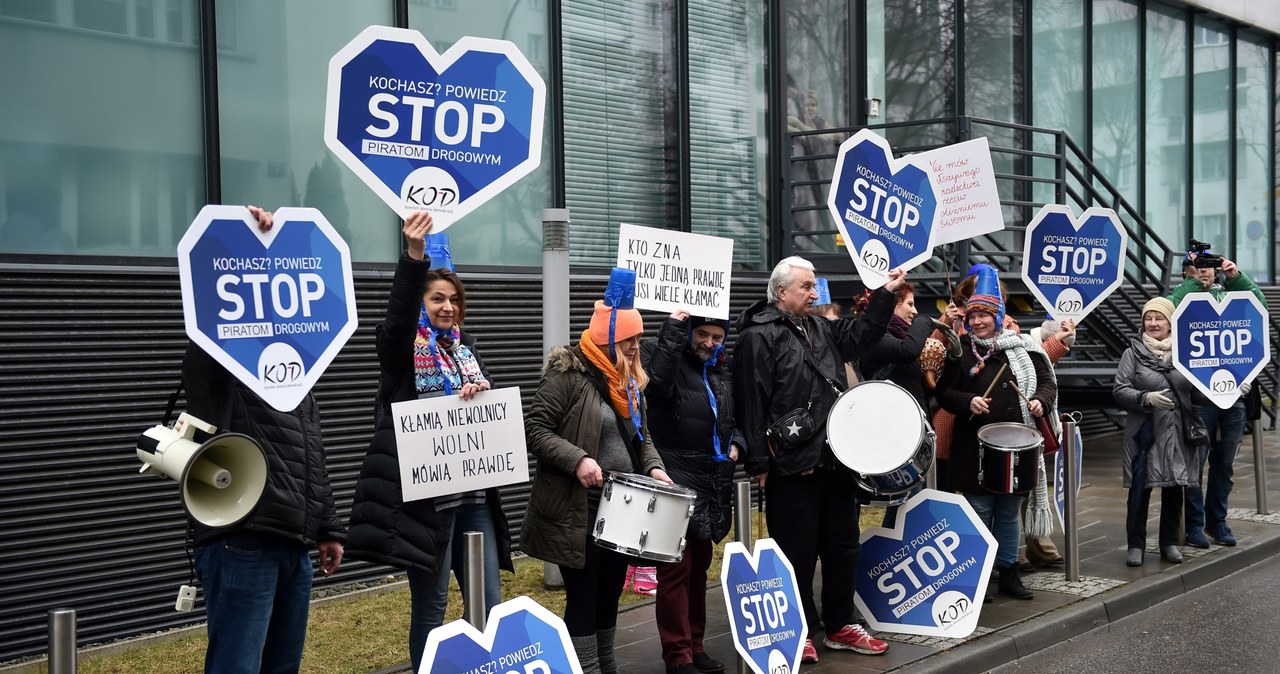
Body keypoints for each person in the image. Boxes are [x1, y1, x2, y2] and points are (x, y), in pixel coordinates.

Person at [345, 213, 514, 672]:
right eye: (438, 298)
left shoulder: (465, 351)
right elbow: (398, 317)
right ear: (423, 301)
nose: (448, 307)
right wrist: (414, 257)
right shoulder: (401, 350)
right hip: (428, 504)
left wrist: (481, 394)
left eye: (455, 300)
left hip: (475, 496)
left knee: (488, 601)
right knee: (432, 607)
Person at [184, 205, 345, 674]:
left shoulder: (296, 374)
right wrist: (244, 245)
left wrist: (327, 527)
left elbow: (310, 450)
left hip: (294, 544)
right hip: (243, 540)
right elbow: (203, 336)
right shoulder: (222, 371)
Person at [733, 256, 899, 662]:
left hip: (836, 459)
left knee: (843, 546)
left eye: (813, 285)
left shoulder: (820, 327)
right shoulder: (758, 337)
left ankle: (840, 624)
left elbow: (861, 333)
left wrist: (885, 295)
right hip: (791, 464)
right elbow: (750, 404)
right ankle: (800, 628)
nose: (813, 292)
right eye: (806, 286)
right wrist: (758, 465)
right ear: (781, 291)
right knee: (797, 553)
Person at [520, 269, 672, 674]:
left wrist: (654, 468)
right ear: (607, 338)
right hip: (578, 509)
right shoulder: (567, 376)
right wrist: (578, 459)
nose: (637, 347)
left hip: (621, 509)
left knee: (609, 596)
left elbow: (642, 438)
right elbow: (534, 429)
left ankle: (607, 665)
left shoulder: (630, 382)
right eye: (629, 340)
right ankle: (586, 668)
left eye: (638, 339)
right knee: (584, 598)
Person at [936, 267, 1056, 600]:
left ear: (998, 316)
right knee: (979, 513)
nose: (977, 322)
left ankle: (1009, 574)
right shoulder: (958, 351)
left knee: (1006, 514)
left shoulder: (1024, 348)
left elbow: (1047, 384)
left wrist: (1039, 402)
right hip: (973, 450)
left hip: (1017, 449)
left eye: (984, 316)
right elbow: (943, 392)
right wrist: (968, 401)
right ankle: (978, 574)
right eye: (972, 316)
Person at [641, 311, 742, 674]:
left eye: (717, 336)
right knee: (674, 572)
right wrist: (672, 329)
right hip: (674, 475)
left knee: (699, 569)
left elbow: (733, 415)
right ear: (686, 331)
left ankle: (695, 646)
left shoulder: (719, 366)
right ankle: (677, 655)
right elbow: (657, 388)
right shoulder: (660, 350)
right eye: (701, 333)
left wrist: (737, 446)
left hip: (711, 477)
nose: (709, 343)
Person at [1169, 250, 1266, 548]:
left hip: (1234, 399)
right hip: (1200, 400)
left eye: (1209, 267)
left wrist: (1236, 278)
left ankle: (1217, 523)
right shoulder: (1184, 298)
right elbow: (1170, 312)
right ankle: (1195, 526)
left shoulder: (1230, 297)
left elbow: (1258, 309)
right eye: (1197, 268)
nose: (1205, 272)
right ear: (1187, 272)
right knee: (1195, 466)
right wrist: (1192, 284)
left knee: (1224, 466)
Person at [1112, 297, 1202, 566]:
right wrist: (1145, 398)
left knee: (1175, 488)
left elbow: (1199, 392)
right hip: (1145, 432)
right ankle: (1136, 544)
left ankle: (1169, 542)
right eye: (1148, 318)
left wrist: (1230, 388)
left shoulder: (1188, 351)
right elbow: (1119, 389)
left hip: (1177, 431)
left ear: (1171, 322)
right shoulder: (1132, 353)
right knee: (1140, 489)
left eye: (1159, 318)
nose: (1153, 323)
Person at [852, 282, 937, 528]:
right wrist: (925, 321)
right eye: (909, 304)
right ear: (892, 305)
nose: (914, 311)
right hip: (892, 432)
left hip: (912, 430)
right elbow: (907, 350)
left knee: (912, 500)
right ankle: (890, 556)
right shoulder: (877, 338)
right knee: (903, 499)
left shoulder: (904, 333)